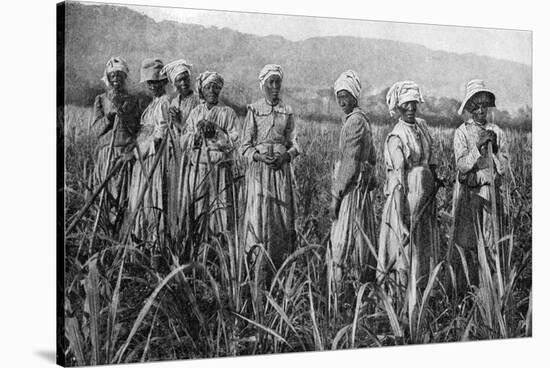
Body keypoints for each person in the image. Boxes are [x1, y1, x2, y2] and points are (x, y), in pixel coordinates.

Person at [377, 81, 440, 286]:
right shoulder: (396, 138)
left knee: (423, 248)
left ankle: (423, 292)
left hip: (425, 199)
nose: (411, 108)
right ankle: (401, 297)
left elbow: (430, 160)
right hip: (405, 202)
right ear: (398, 107)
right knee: (404, 250)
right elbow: (398, 182)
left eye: (414, 103)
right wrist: (402, 221)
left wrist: (435, 178)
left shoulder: (421, 126)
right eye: (406, 104)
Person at [240, 64, 300, 278]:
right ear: (263, 85)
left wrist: (286, 156)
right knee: (259, 216)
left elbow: (295, 143)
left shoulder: (287, 111)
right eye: (271, 83)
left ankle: (280, 268)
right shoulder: (254, 110)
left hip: (281, 173)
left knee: (281, 218)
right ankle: (257, 268)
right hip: (260, 173)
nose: (275, 87)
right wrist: (259, 156)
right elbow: (244, 146)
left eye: (278, 83)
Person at [451, 79, 508, 288]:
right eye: (476, 106)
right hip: (470, 196)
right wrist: (478, 146)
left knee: (492, 241)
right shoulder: (462, 133)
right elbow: (462, 166)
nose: (481, 110)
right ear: (470, 109)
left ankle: (493, 290)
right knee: (471, 243)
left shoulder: (498, 132)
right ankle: (470, 289)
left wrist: (493, 150)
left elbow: (503, 168)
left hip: (492, 195)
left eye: (485, 105)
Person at [329, 70, 377, 285]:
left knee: (345, 240)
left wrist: (336, 196)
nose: (342, 101)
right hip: (360, 190)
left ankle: (342, 292)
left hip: (352, 191)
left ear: (354, 97)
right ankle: (359, 287)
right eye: (339, 97)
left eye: (345, 96)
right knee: (360, 238)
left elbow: (350, 162)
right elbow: (372, 158)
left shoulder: (355, 122)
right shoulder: (360, 120)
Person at [181, 71, 240, 240]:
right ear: (202, 91)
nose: (212, 91)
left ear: (220, 90)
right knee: (200, 206)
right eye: (208, 87)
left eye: (215, 87)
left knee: (220, 208)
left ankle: (219, 245)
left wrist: (216, 131)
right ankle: (200, 244)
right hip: (199, 167)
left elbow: (235, 140)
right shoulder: (195, 113)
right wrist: (198, 135)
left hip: (220, 168)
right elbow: (184, 140)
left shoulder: (228, 113)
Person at [91, 56, 141, 230]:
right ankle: (105, 235)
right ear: (108, 78)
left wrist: (124, 113)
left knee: (124, 199)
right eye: (113, 76)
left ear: (125, 78)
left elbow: (137, 129)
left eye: (120, 76)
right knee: (106, 198)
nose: (116, 80)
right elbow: (96, 130)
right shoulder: (101, 100)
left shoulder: (133, 101)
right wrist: (110, 116)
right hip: (106, 155)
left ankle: (121, 235)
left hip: (125, 155)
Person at [127, 58, 171, 246]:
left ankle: (154, 244)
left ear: (164, 83)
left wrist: (141, 151)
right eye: (150, 82)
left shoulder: (164, 103)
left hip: (153, 157)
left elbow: (160, 134)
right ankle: (142, 242)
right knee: (141, 198)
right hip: (143, 157)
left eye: (157, 82)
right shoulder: (153, 104)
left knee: (152, 198)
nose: (153, 86)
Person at [160, 59, 201, 235]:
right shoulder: (173, 102)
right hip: (175, 158)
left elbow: (196, 134)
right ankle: (175, 237)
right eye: (179, 80)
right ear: (174, 83)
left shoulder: (199, 101)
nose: (183, 83)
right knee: (175, 199)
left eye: (185, 79)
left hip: (192, 158)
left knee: (190, 198)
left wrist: (178, 124)